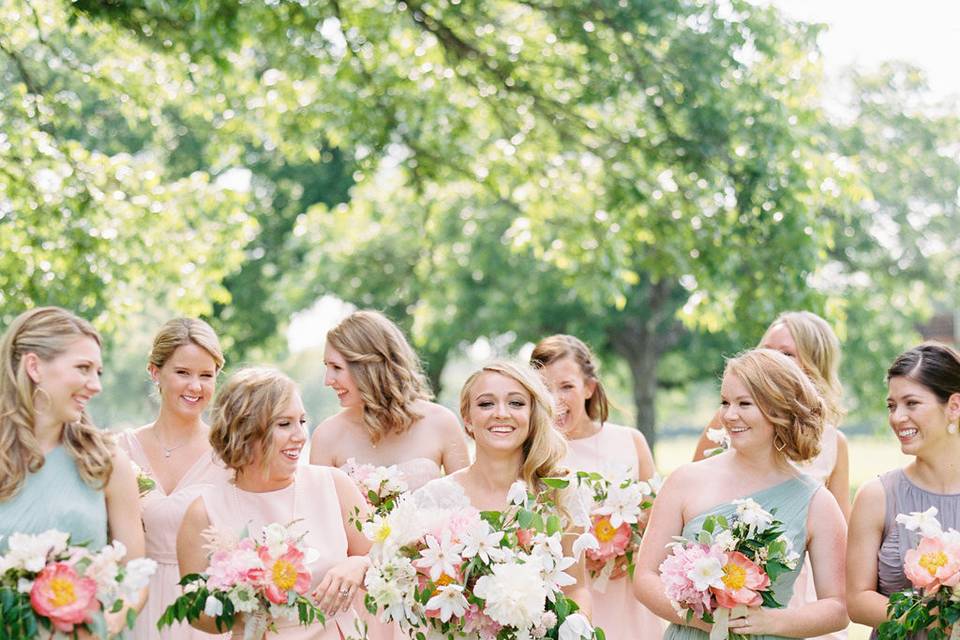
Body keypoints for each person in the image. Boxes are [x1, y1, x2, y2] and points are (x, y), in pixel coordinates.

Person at [634, 349, 848, 640]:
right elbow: (645, 578)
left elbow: (837, 608)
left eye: (744, 404)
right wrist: (703, 619)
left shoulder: (817, 503)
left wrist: (771, 622)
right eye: (725, 402)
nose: (729, 415)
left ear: (779, 408)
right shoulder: (685, 480)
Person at [178, 367, 372, 639]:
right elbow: (196, 615)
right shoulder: (204, 512)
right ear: (245, 431)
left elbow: (385, 566)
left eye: (302, 421)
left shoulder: (334, 486)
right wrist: (241, 599)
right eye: (284, 424)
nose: (300, 435)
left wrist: (359, 565)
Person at [0, 306, 145, 636]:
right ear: (34, 366)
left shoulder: (108, 461)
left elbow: (136, 576)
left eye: (98, 372)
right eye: (83, 368)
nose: (95, 386)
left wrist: (109, 622)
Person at [413, 361, 592, 616]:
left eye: (516, 403)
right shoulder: (433, 499)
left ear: (532, 415)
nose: (501, 413)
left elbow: (576, 589)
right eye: (486, 404)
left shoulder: (560, 494)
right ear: (467, 419)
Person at [530, 334, 662, 639]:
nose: (555, 400)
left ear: (589, 388)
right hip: (566, 596)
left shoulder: (630, 441)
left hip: (626, 593)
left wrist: (629, 546)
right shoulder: (534, 457)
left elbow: (656, 523)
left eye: (566, 387)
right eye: (544, 389)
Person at [117, 318, 230, 639]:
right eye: (183, 373)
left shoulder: (229, 455)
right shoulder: (120, 451)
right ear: (155, 372)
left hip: (204, 613)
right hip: (134, 606)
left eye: (206, 376)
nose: (196, 386)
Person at [847, 343, 960, 638]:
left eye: (911, 403)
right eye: (892, 405)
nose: (897, 418)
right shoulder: (876, 495)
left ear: (954, 407)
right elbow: (857, 600)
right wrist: (931, 615)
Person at [692, 312, 850, 519]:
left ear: (814, 365)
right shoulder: (730, 419)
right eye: (766, 351)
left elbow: (841, 528)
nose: (770, 361)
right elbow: (692, 492)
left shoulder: (834, 443)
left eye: (786, 355)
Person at [310, 310, 470, 489]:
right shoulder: (326, 436)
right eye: (327, 366)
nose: (328, 380)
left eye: (337, 367)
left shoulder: (442, 423)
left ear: (370, 367)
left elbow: (468, 504)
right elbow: (319, 514)